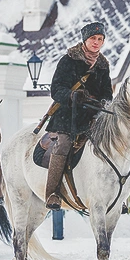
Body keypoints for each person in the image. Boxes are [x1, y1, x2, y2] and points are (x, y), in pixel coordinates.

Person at [44, 21, 113, 210]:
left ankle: (115, 194)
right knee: (64, 144)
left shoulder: (103, 65)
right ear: (85, 40)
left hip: (93, 118)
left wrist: (104, 104)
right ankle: (52, 193)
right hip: (68, 117)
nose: (97, 42)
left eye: (100, 39)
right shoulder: (68, 60)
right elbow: (56, 90)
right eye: (93, 38)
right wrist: (73, 95)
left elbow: (107, 93)